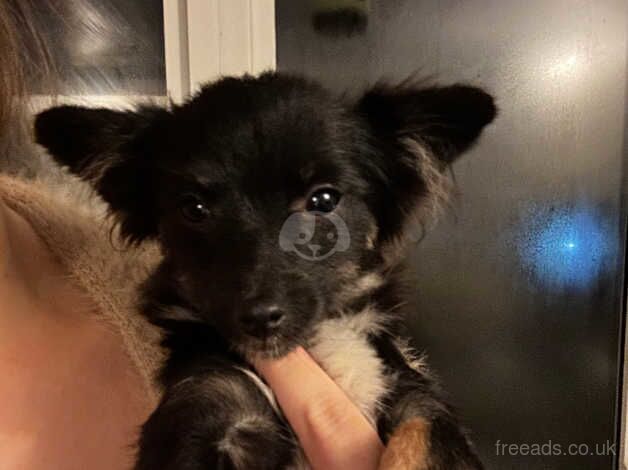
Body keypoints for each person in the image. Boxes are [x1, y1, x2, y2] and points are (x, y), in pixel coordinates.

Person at [0, 2, 383, 469]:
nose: (261, 298)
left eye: (320, 205)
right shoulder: (194, 362)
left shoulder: (377, 329)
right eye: (198, 209)